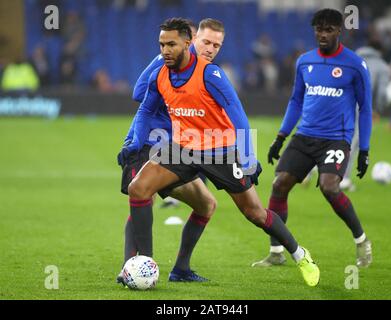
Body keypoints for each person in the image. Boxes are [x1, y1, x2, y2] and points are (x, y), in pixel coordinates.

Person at [125, 18, 320, 287]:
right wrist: (135, 143)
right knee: (139, 188)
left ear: (186, 43)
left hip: (220, 151)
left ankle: (300, 254)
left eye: (171, 44)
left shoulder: (209, 74)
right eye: (161, 44)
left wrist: (249, 157)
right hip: (182, 148)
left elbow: (238, 115)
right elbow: (146, 109)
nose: (165, 50)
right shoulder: (160, 73)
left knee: (254, 213)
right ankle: (146, 266)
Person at [252, 9, 373, 268]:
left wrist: (364, 150)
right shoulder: (305, 61)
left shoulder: (355, 64)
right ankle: (276, 252)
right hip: (305, 136)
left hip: (336, 139)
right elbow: (296, 100)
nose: (322, 34)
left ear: (339, 31)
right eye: (319, 29)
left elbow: (365, 108)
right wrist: (280, 137)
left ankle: (361, 240)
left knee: (329, 187)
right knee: (279, 184)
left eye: (328, 29)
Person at [117, 19, 229, 283]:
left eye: (215, 44)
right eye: (205, 42)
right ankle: (131, 269)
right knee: (143, 194)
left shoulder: (202, 72)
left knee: (207, 204)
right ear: (191, 41)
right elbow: (138, 95)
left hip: (175, 148)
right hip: (148, 143)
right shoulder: (165, 63)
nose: (209, 48)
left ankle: (180, 270)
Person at [340, 40, 391, 191]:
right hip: (360, 105)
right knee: (353, 141)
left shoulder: (352, 58)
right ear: (380, 51)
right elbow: (381, 92)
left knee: (332, 136)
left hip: (338, 100)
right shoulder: (382, 66)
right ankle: (343, 178)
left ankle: (317, 168)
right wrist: (378, 109)